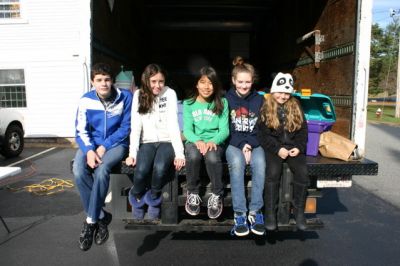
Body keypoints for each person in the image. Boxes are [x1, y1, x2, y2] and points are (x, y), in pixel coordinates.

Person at [73, 62, 133, 251]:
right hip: (91, 144)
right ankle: (101, 216)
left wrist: (104, 147)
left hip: (116, 144)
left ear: (113, 81)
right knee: (78, 169)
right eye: (99, 80)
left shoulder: (125, 97)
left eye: (107, 80)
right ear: (93, 82)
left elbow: (126, 128)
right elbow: (81, 130)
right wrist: (90, 150)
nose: (103, 84)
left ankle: (91, 222)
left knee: (102, 170)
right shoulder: (85, 100)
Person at [125, 63, 185, 221]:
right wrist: (132, 153)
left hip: (166, 142)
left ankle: (153, 198)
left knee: (159, 168)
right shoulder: (139, 94)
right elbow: (135, 127)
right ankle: (137, 196)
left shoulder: (170, 93)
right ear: (146, 80)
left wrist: (179, 153)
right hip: (148, 142)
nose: (158, 85)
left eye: (161, 81)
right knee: (142, 170)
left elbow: (173, 123)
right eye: (154, 81)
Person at [257, 72, 309, 231]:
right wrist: (277, 149)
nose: (283, 96)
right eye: (280, 92)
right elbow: (263, 135)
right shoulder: (266, 106)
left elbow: (303, 131)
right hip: (274, 148)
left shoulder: (296, 105)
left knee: (302, 172)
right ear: (273, 91)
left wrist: (298, 148)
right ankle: (270, 213)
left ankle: (299, 211)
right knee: (273, 173)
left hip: (292, 148)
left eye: (287, 92)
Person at [225, 57, 266, 236]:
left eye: (247, 82)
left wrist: (249, 144)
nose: (244, 85)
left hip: (255, 142)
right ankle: (240, 213)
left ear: (252, 81)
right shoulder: (227, 99)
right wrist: (242, 145)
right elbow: (226, 127)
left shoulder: (259, 100)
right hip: (234, 143)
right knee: (236, 165)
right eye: (240, 81)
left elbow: (262, 127)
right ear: (234, 81)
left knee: (260, 165)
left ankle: (255, 212)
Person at [183, 66, 229, 219]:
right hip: (194, 141)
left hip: (215, 142)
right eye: (203, 82)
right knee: (194, 156)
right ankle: (193, 192)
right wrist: (198, 141)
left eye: (211, 83)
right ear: (196, 84)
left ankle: (217, 194)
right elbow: (187, 130)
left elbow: (224, 130)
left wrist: (213, 141)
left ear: (215, 85)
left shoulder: (222, 102)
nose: (207, 87)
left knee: (212, 158)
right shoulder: (188, 104)